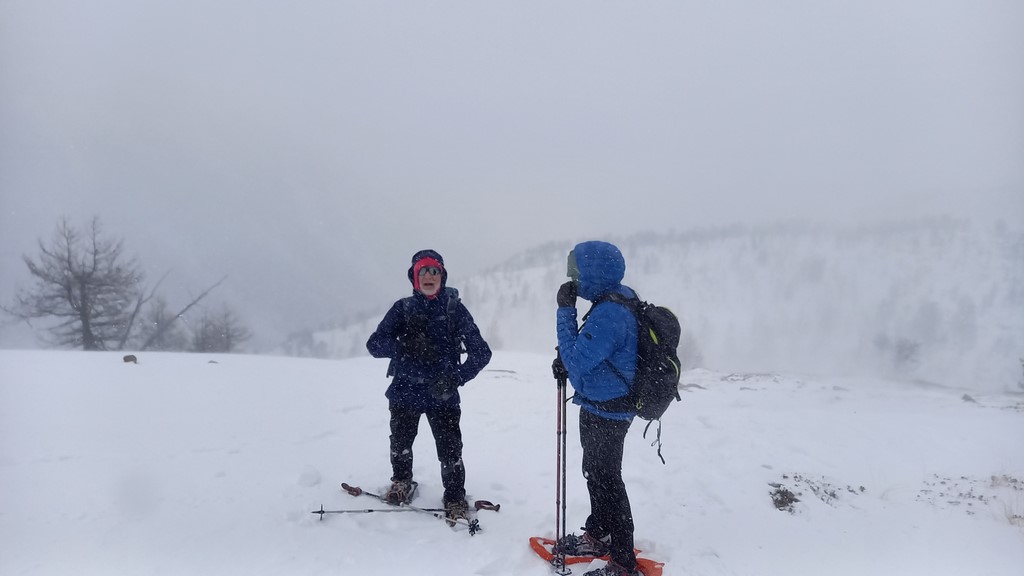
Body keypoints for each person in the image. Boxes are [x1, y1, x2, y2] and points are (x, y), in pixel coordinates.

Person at [366, 249, 492, 522]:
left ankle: (455, 497)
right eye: (423, 271)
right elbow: (374, 345)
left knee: (450, 451)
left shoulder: (454, 310)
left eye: (435, 271)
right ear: (414, 277)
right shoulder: (402, 309)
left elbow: (482, 352)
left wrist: (457, 377)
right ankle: (401, 482)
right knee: (400, 443)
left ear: (442, 277)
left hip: (442, 393)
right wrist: (403, 346)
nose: (429, 276)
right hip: (405, 390)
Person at [553, 241, 641, 576]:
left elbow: (577, 360)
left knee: (608, 479)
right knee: (595, 472)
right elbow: (583, 357)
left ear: (594, 272)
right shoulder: (615, 299)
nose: (571, 279)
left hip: (610, 409)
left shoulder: (611, 313)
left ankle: (623, 561)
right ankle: (599, 533)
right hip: (598, 403)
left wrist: (565, 311)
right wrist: (567, 359)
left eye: (576, 272)